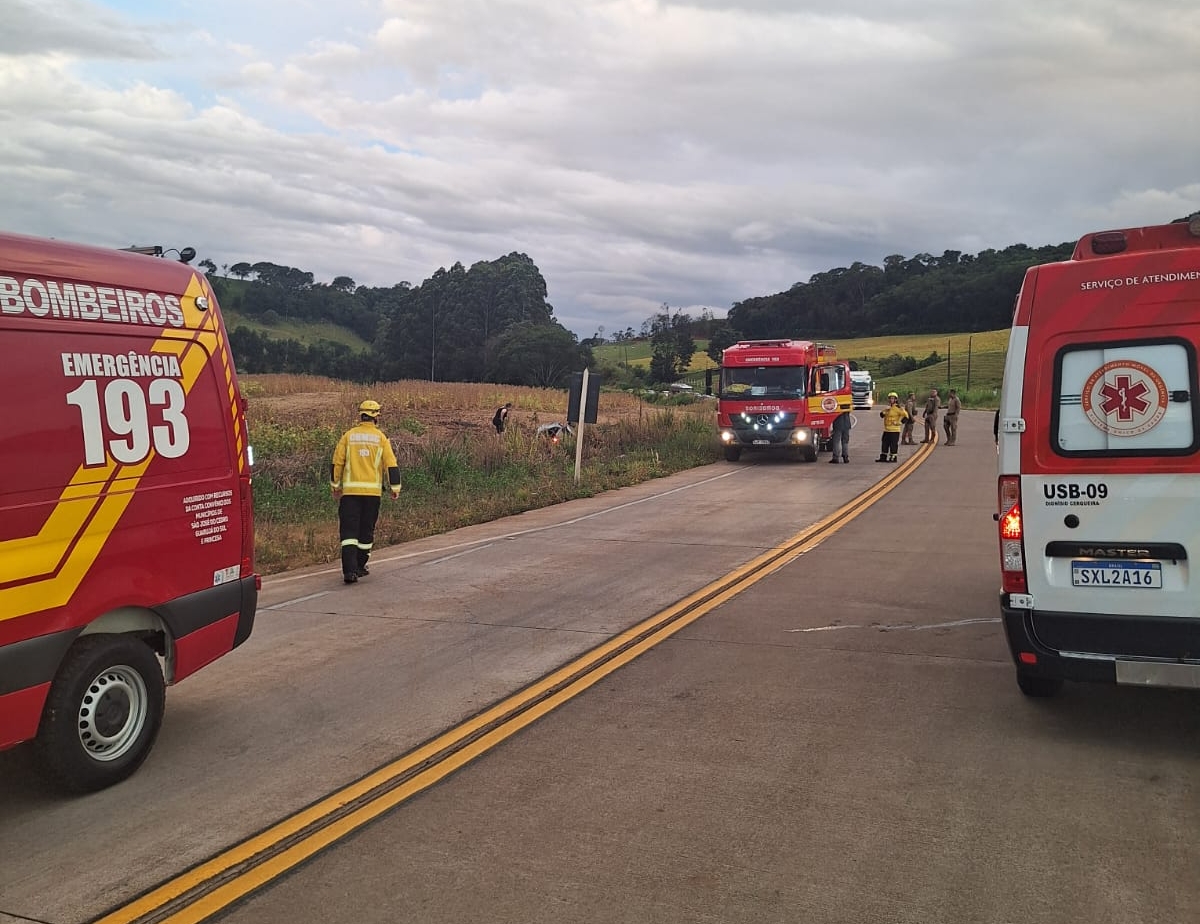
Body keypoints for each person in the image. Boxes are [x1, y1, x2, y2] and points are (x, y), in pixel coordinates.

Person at [330, 399, 402, 585]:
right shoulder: (381, 438)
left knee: (348, 532)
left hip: (350, 494)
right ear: (376, 417)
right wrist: (395, 488)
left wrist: (335, 485)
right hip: (372, 495)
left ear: (361, 415)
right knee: (366, 531)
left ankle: (349, 571)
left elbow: (337, 462)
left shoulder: (348, 436)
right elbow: (391, 465)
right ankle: (360, 566)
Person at [876, 392, 908, 463]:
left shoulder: (898, 408)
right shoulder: (888, 408)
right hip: (886, 429)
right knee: (884, 443)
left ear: (896, 399)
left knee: (893, 444)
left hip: (894, 430)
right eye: (890, 398)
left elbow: (906, 416)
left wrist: (899, 423)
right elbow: (881, 415)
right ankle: (883, 457)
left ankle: (893, 457)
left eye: (893, 398)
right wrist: (886, 410)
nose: (891, 400)